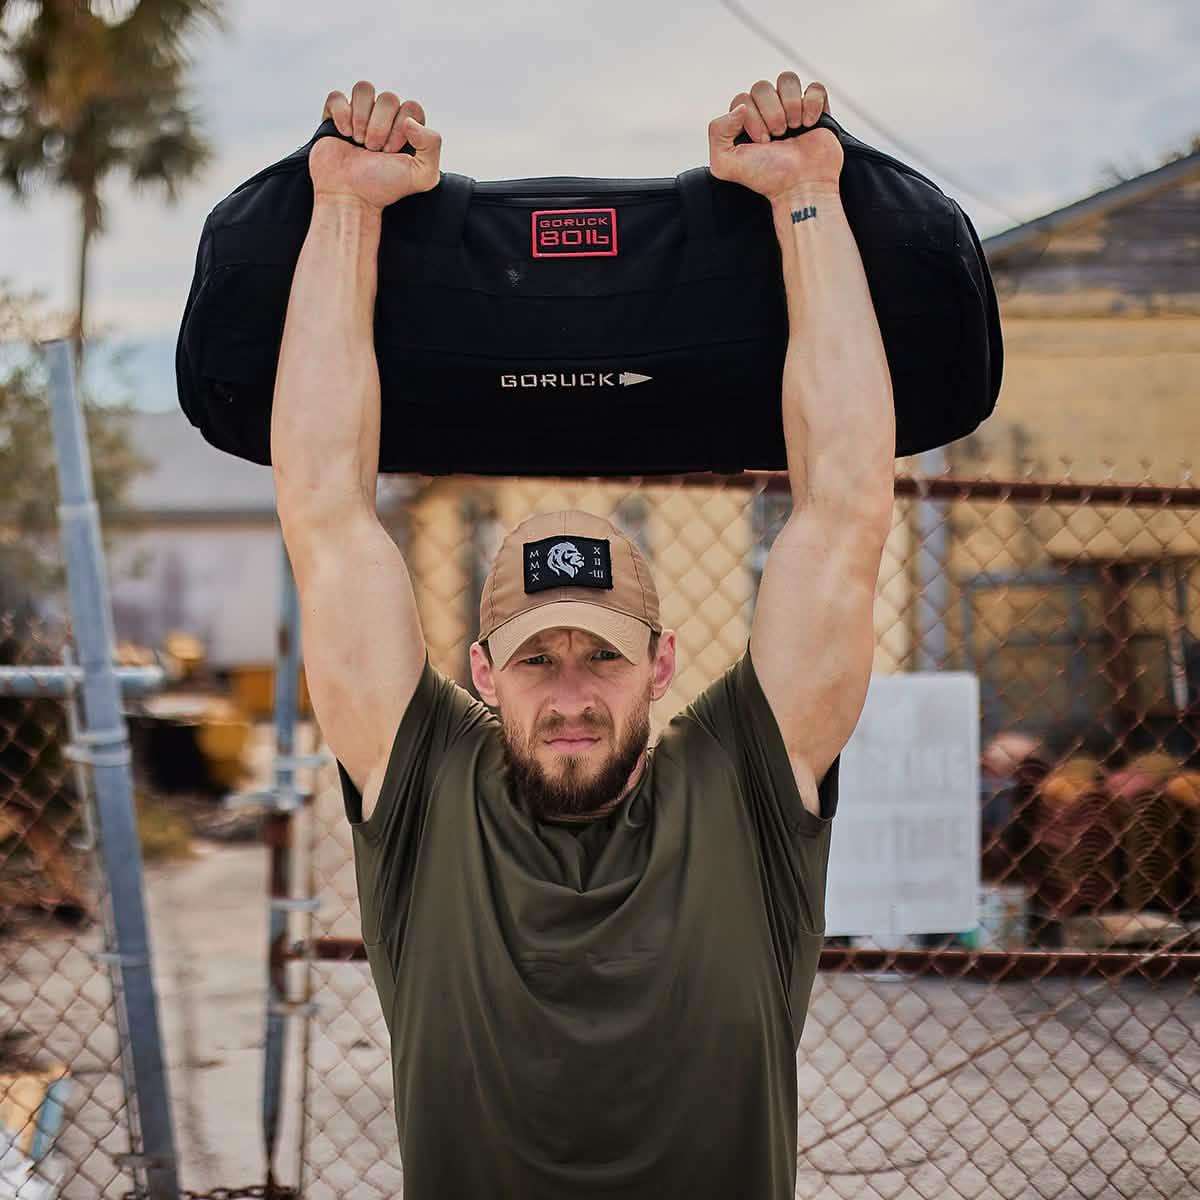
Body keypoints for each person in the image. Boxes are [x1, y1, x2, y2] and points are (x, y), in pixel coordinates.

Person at [271, 72, 894, 1200]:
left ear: (660, 664)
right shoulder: (423, 788)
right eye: (537, 657)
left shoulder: (746, 781)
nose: (570, 691)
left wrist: (808, 196)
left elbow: (846, 509)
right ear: (480, 674)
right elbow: (322, 513)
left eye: (602, 654)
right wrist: (347, 209)